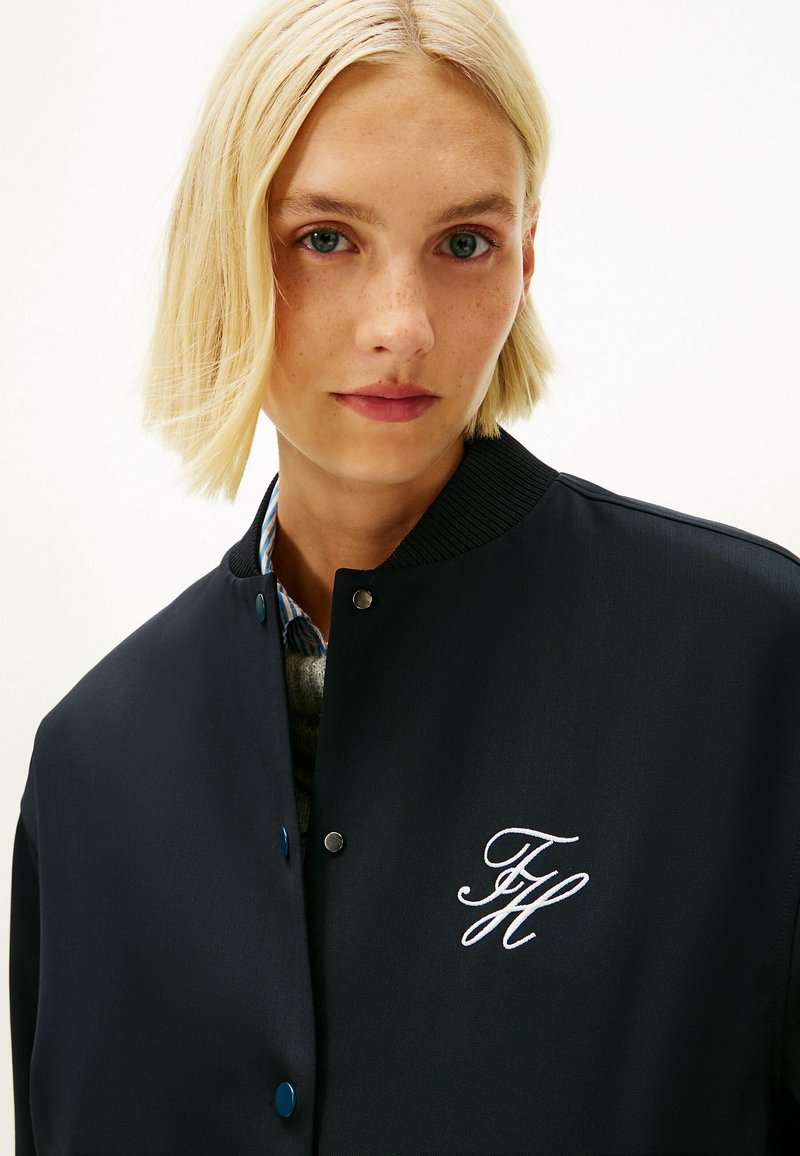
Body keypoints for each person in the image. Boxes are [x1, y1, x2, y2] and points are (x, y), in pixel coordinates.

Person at [8, 0, 800, 1152]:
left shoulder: (747, 666)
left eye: (462, 243)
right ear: (226, 250)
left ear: (525, 258)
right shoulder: (92, 767)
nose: (402, 326)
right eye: (326, 238)